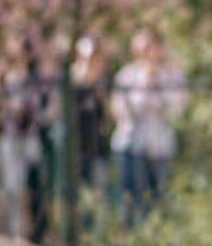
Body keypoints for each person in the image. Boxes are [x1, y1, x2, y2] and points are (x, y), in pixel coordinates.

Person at [110, 27, 187, 227]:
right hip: (131, 145)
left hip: (160, 146)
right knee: (131, 201)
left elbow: (177, 108)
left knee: (158, 199)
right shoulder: (126, 76)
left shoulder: (172, 76)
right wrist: (146, 84)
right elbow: (122, 110)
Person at [0, 33, 53, 243]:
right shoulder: (4, 78)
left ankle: (36, 234)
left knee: (34, 186)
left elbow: (46, 107)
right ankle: (13, 233)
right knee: (13, 188)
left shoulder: (36, 80)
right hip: (11, 138)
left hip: (31, 139)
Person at [70, 33, 112, 192]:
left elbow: (109, 114)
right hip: (76, 148)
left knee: (99, 192)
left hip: (98, 147)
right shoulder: (71, 82)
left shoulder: (104, 82)